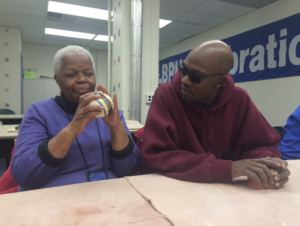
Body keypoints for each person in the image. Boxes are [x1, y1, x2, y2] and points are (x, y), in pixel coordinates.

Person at [142, 40, 290, 189]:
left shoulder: (239, 99)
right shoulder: (166, 95)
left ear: (219, 81)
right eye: (183, 70)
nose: (185, 80)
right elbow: (155, 157)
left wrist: (265, 164)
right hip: (176, 191)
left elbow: (263, 144)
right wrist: (226, 169)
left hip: (227, 197)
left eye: (195, 77)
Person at [11, 45, 142, 191]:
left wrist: (115, 127)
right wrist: (73, 128)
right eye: (71, 75)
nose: (82, 80)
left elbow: (130, 170)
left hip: (110, 194)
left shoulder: (109, 112)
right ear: (57, 80)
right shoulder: (38, 112)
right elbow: (23, 175)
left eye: (88, 73)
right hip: (56, 198)